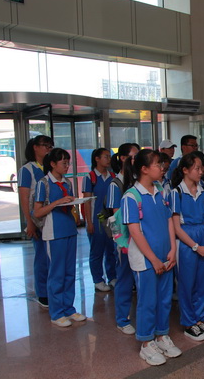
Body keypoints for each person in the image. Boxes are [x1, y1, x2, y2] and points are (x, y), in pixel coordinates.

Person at [122, 149, 181, 366]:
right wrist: (154, 260)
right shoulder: (131, 197)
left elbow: (169, 221)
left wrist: (172, 250)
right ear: (144, 169)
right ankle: (146, 343)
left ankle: (162, 335)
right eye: (157, 164)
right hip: (146, 260)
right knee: (148, 301)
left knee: (164, 299)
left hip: (165, 255)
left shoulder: (161, 191)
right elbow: (135, 232)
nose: (162, 167)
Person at [33, 148, 85, 327]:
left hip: (69, 229)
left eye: (68, 162)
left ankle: (69, 308)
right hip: (54, 232)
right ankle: (56, 313)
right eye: (63, 163)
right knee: (56, 273)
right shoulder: (44, 183)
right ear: (53, 164)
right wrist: (57, 203)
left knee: (70, 272)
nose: (67, 166)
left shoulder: (67, 182)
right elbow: (37, 211)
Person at [170, 153, 204, 341]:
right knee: (186, 283)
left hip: (203, 236)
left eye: (201, 168)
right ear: (185, 170)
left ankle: (199, 319)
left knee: (203, 282)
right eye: (197, 168)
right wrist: (196, 247)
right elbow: (176, 227)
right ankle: (189, 322)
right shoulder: (176, 193)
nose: (201, 171)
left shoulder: (203, 190)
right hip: (186, 241)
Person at [106, 143, 140, 335]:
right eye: (134, 156)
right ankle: (122, 318)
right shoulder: (116, 184)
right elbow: (115, 218)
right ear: (123, 158)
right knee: (125, 278)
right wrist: (121, 242)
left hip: (140, 238)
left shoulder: (137, 181)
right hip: (125, 241)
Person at [18, 135, 53, 309]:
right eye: (45, 145)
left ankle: (54, 290)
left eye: (50, 146)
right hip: (37, 219)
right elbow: (24, 197)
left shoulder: (50, 167)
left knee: (54, 257)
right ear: (35, 147)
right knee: (42, 257)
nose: (48, 149)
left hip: (52, 218)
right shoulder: (28, 169)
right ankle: (43, 293)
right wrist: (29, 222)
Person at [83, 148, 117, 292]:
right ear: (97, 159)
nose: (108, 159)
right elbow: (86, 202)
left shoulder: (113, 176)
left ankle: (112, 277)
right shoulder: (90, 177)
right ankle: (98, 279)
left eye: (109, 156)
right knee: (97, 250)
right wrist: (89, 222)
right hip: (97, 219)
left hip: (110, 218)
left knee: (111, 249)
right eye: (105, 156)